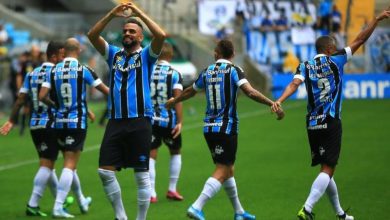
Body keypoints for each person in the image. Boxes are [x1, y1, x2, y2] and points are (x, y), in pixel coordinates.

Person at [271, 8, 390, 220]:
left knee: (326, 169)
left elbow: (294, 84)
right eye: (334, 46)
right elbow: (361, 39)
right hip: (331, 120)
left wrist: (279, 101)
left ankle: (340, 214)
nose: (336, 48)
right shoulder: (336, 60)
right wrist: (376, 19)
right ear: (328, 49)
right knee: (328, 168)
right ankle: (307, 208)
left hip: (312, 124)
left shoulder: (304, 65)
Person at [166, 39, 284, 220]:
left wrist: (174, 100)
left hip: (209, 128)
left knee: (229, 169)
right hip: (226, 128)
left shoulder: (207, 71)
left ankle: (239, 211)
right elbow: (250, 92)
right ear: (233, 54)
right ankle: (197, 207)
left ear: (216, 53)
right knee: (223, 169)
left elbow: (191, 90)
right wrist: (271, 103)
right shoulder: (234, 71)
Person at [87, 2, 166, 220]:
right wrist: (112, 13)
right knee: (104, 171)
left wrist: (138, 13)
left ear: (140, 37)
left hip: (140, 121)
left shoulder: (147, 56)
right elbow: (92, 35)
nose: (127, 34)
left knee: (142, 176)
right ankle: (121, 216)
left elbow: (161, 35)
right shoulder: (113, 54)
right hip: (116, 121)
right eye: (125, 31)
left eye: (132, 31)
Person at [0, 41, 73, 217]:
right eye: (62, 56)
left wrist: (11, 120)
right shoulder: (55, 73)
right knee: (48, 165)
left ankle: (59, 201)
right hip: (51, 124)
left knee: (48, 163)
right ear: (54, 56)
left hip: (35, 124)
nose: (64, 59)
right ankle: (33, 204)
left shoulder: (31, 74)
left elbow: (20, 99)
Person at [39, 38, 109, 218]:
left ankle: (81, 200)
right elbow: (106, 91)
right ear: (78, 50)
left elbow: (42, 96)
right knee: (69, 165)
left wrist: (56, 106)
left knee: (70, 166)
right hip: (76, 122)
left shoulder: (53, 69)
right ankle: (58, 206)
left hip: (59, 123)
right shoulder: (83, 69)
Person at [149, 42, 184, 203]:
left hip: (151, 120)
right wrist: (180, 121)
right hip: (169, 121)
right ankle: (172, 189)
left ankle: (151, 193)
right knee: (175, 152)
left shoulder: (148, 71)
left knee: (151, 155)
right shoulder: (174, 73)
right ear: (170, 56)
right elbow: (178, 99)